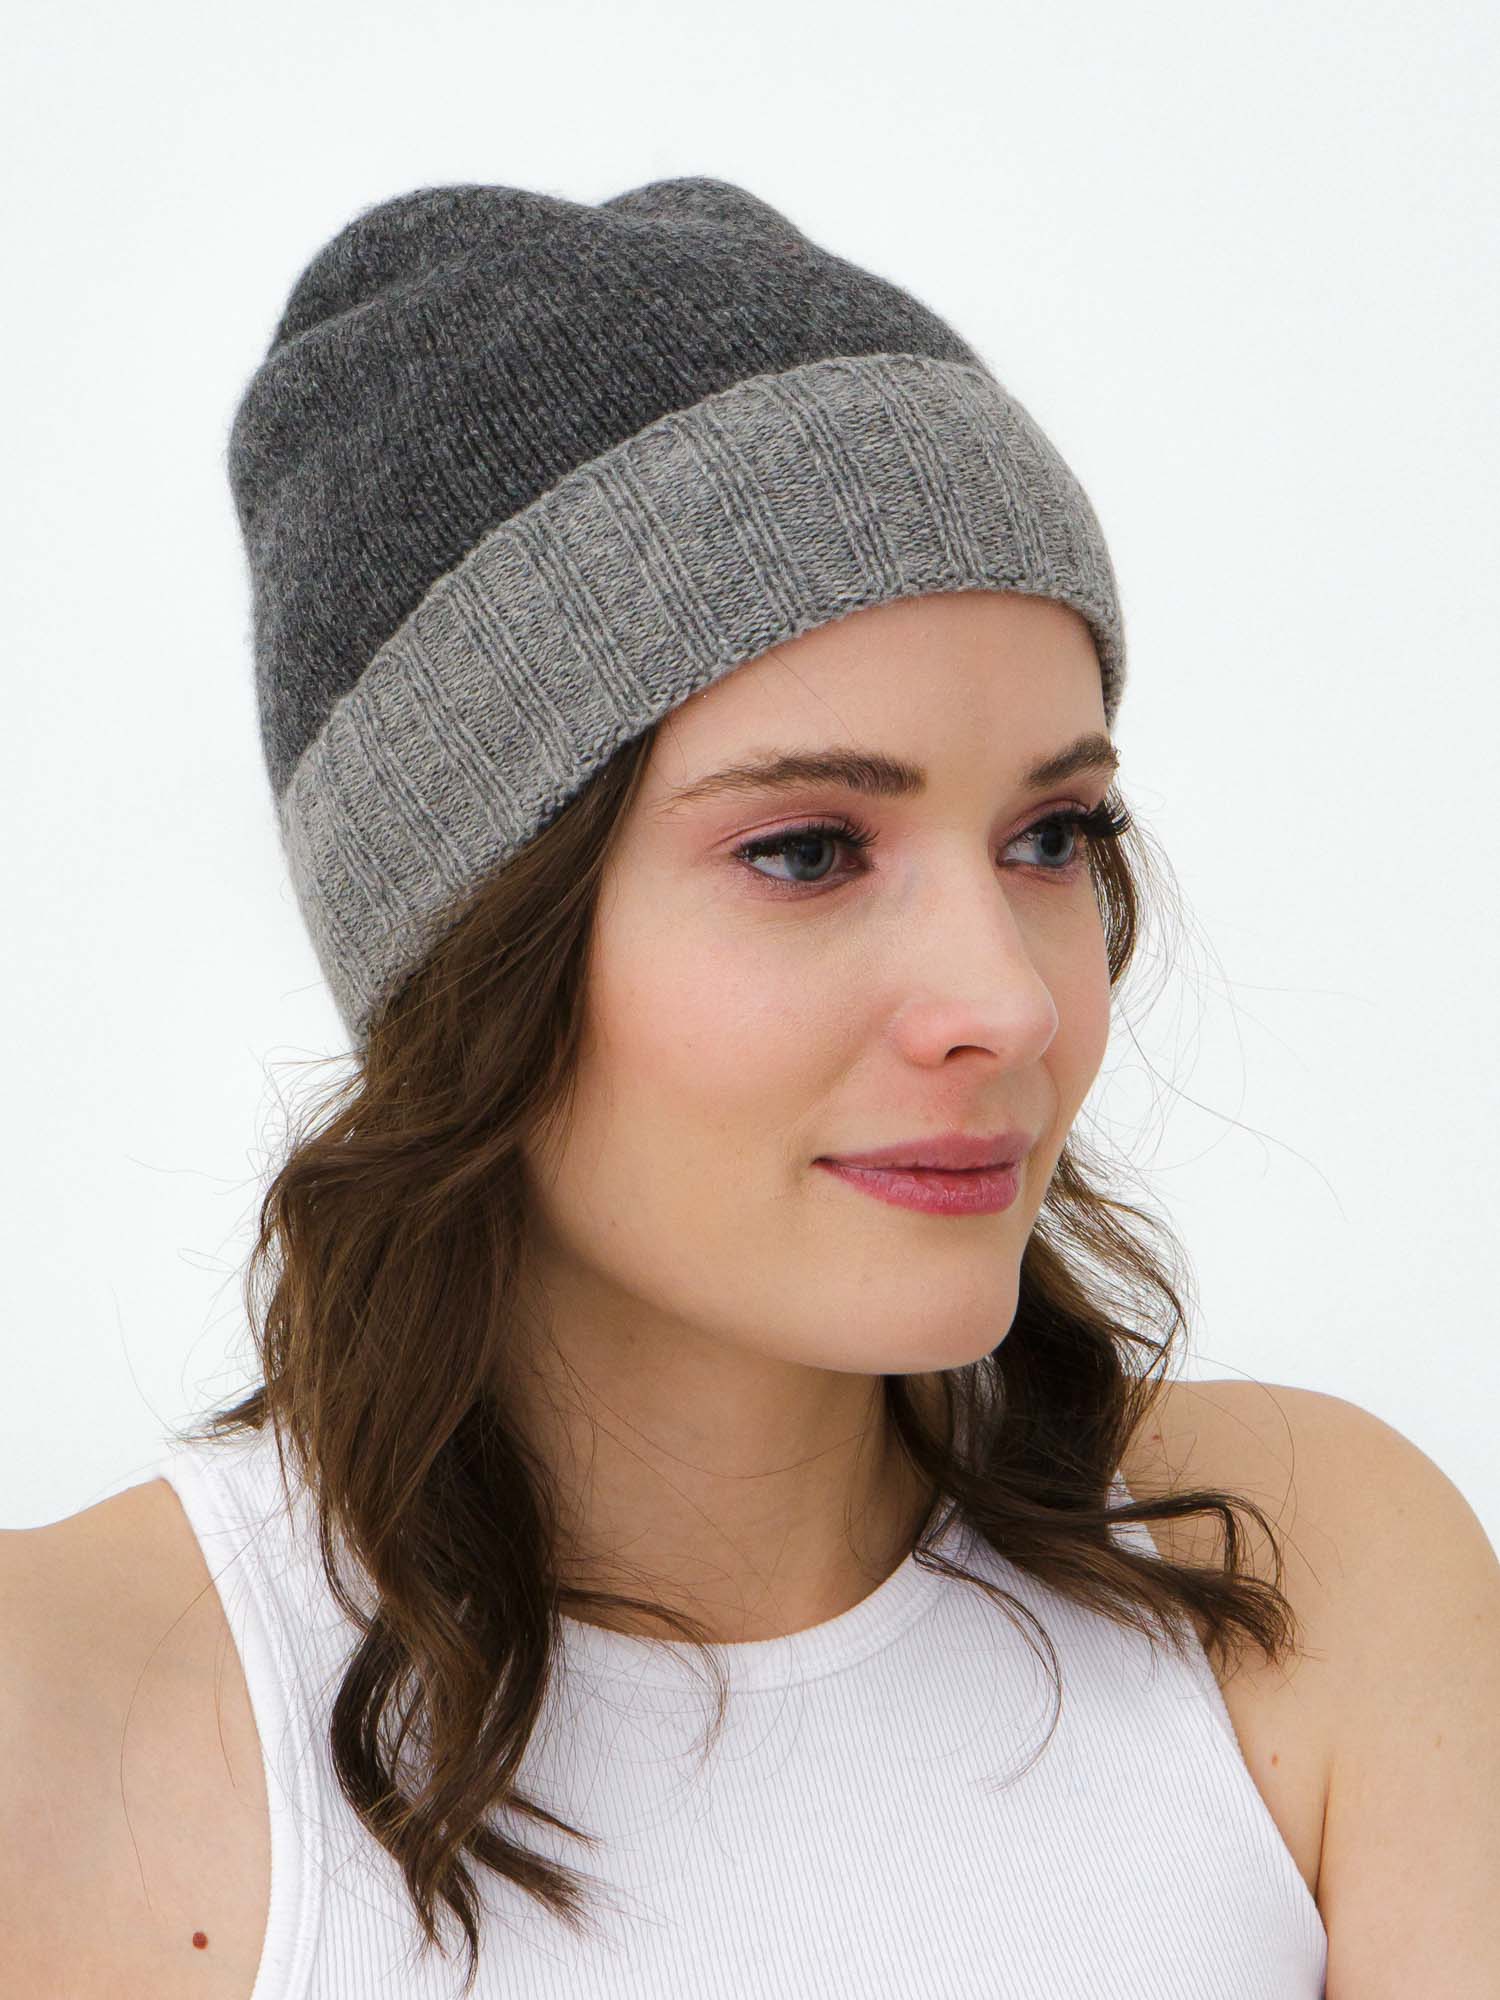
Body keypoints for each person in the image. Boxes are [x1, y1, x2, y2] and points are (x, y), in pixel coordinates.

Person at [4, 175, 1496, 2000]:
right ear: (468, 952)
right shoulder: (58, 1728)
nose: (1008, 1001)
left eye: (1052, 835)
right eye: (806, 851)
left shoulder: (1308, 1584)